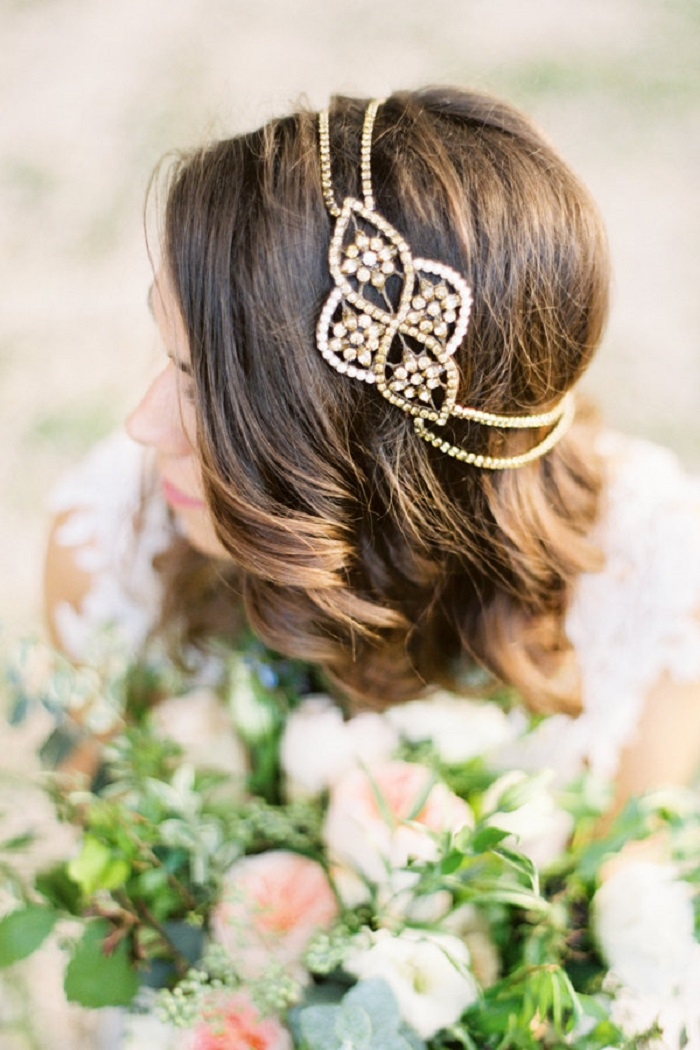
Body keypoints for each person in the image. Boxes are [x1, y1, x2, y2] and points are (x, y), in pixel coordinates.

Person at [44, 87, 700, 829]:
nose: (142, 426)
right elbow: (101, 878)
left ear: (356, 443)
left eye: (200, 387)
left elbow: (622, 881)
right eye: (170, 358)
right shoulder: (112, 546)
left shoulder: (651, 575)